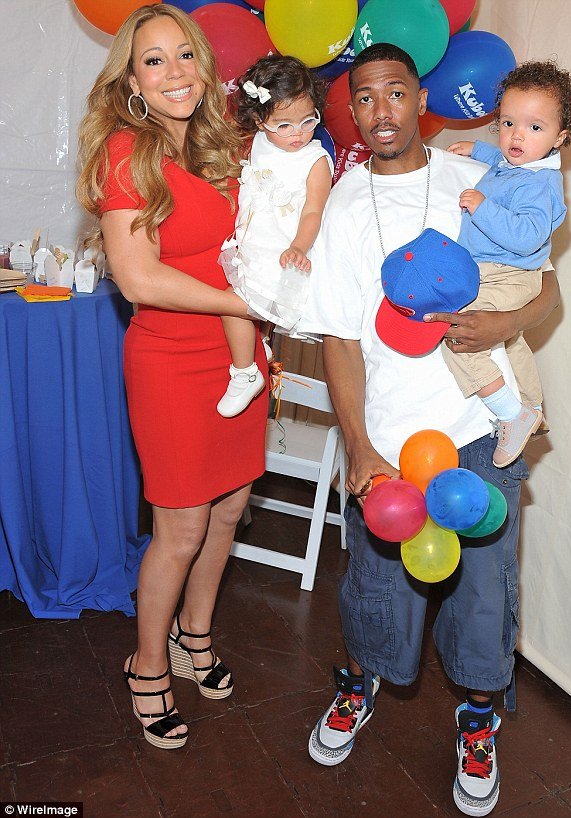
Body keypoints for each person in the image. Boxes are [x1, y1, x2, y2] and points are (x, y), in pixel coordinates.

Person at [299, 43, 561, 816]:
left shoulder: (474, 177)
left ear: (420, 99)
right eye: (365, 97)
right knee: (376, 586)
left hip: (479, 425)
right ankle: (359, 686)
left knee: (485, 592)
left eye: (396, 93)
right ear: (353, 110)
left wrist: (503, 324)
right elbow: (339, 337)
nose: (381, 110)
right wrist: (358, 445)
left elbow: (545, 287)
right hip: (390, 439)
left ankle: (478, 721)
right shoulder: (343, 206)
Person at [76, 4, 267, 750]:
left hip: (238, 358)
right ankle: (148, 664)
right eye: (153, 60)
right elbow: (137, 277)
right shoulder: (126, 152)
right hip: (171, 360)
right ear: (132, 81)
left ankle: (196, 635)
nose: (174, 72)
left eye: (184, 54)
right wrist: (240, 305)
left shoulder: (222, 147)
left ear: (204, 65)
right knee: (181, 525)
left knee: (230, 509)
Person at [445, 60, 571, 468]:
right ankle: (532, 405)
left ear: (560, 137)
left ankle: (511, 413)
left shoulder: (541, 185)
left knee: (459, 336)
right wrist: (478, 150)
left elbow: (527, 236)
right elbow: (506, 161)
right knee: (511, 341)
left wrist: (483, 208)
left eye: (534, 127)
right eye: (508, 123)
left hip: (509, 274)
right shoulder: (522, 164)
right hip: (497, 272)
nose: (516, 136)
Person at [216, 55, 333, 418]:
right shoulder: (256, 143)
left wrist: (299, 246)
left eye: (308, 120)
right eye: (284, 124)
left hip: (282, 251)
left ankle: (245, 372)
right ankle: (261, 344)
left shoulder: (314, 160)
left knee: (234, 301)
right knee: (247, 299)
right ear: (259, 120)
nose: (298, 133)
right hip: (252, 243)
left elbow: (314, 210)